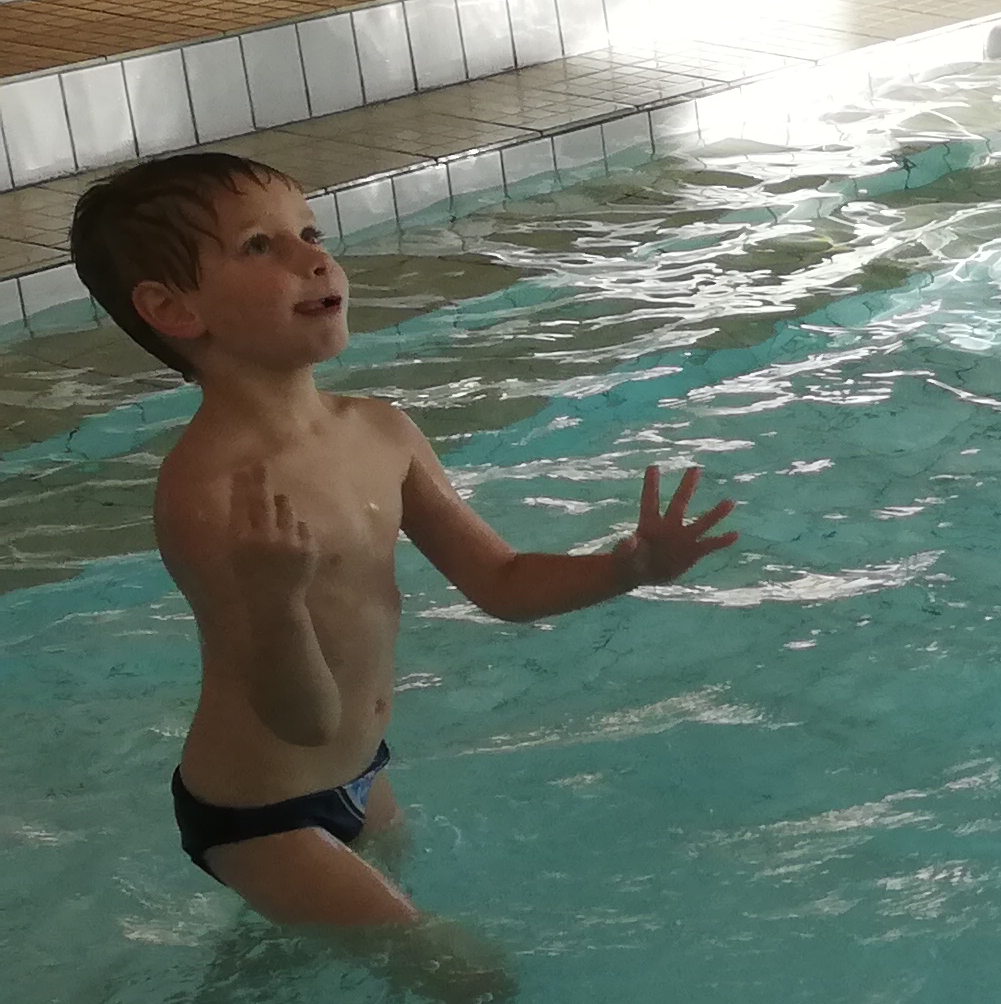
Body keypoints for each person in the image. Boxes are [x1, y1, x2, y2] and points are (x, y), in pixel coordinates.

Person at [65, 150, 738, 932]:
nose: (314, 260)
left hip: (361, 773)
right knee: (461, 974)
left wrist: (628, 567)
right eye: (260, 245)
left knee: (333, 947)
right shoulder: (211, 494)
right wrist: (276, 603)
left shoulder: (382, 432)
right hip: (262, 812)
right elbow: (301, 721)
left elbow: (501, 580)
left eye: (310, 234)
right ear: (175, 309)